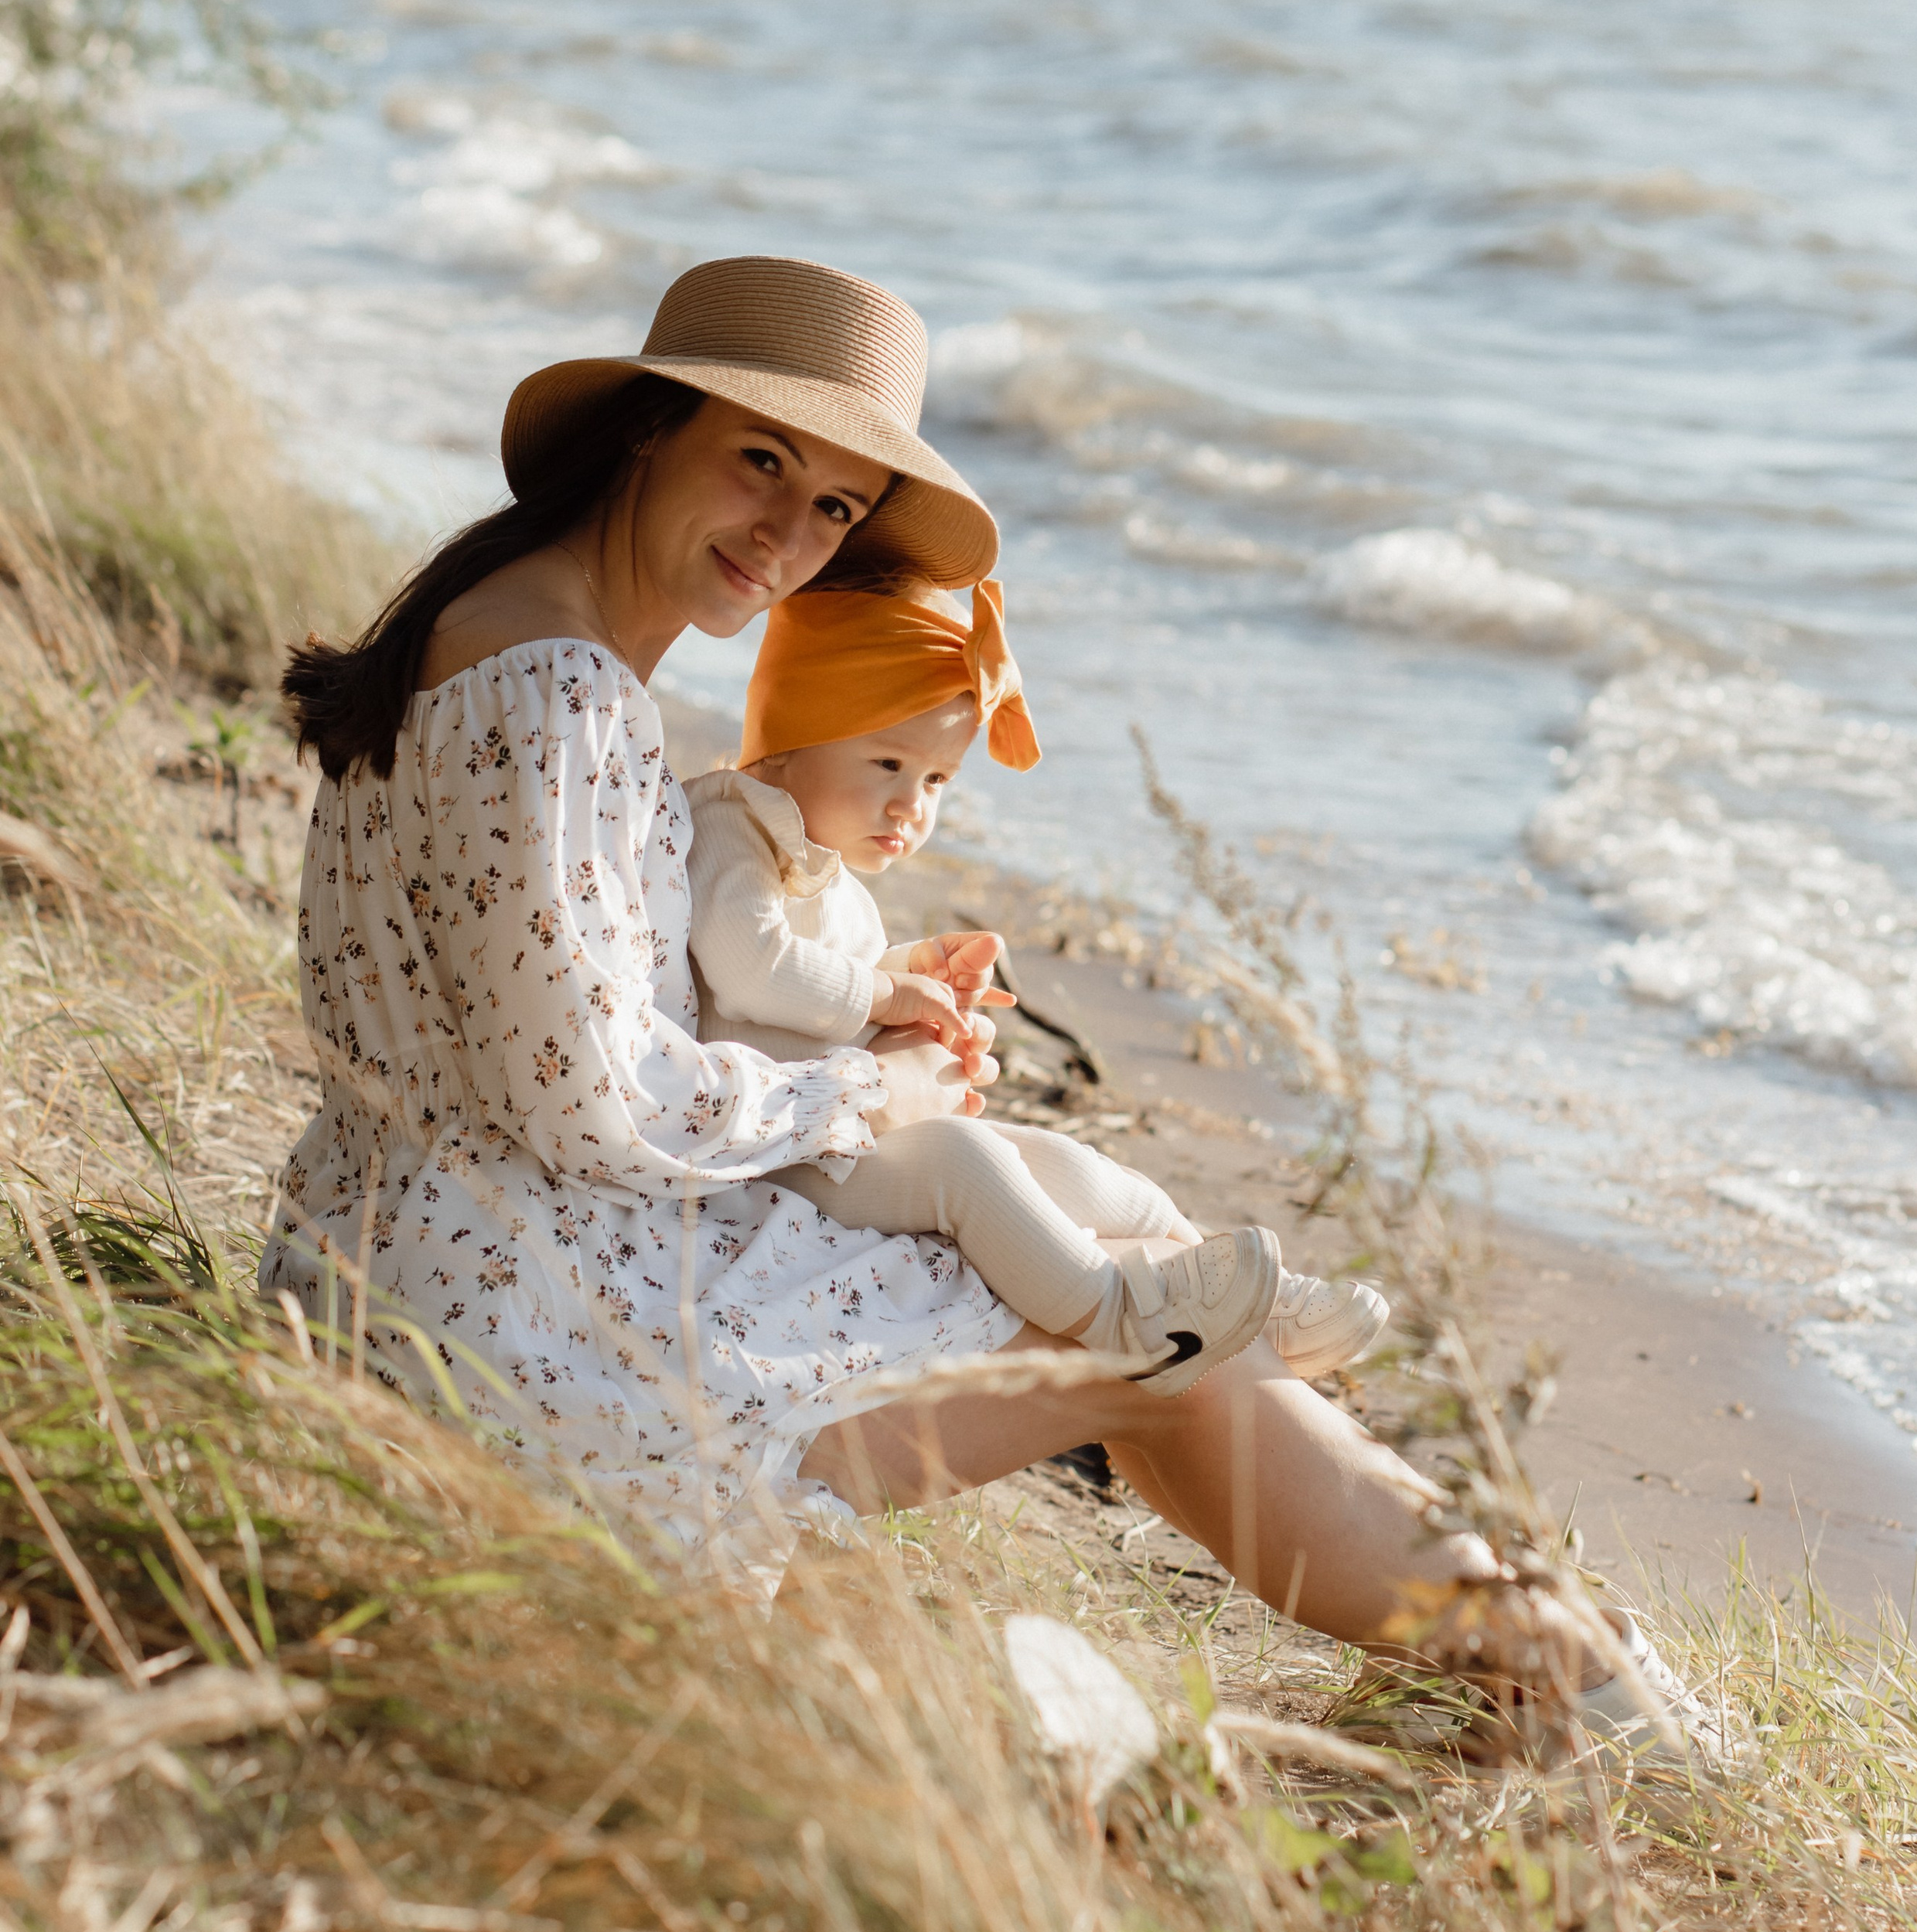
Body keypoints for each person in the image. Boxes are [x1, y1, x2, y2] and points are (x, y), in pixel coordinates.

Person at [261, 251, 1662, 1739]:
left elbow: (553, 1018)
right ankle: (1572, 1671)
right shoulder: (560, 693)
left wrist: (860, 999)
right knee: (1159, 1350)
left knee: (1150, 1304)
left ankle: (1523, 1644)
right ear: (648, 429)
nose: (787, 536)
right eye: (761, 462)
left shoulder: (506, 629)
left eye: (835, 507)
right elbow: (589, 1096)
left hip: (424, 1249)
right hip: (527, 1323)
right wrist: (878, 1090)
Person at [683, 573, 1390, 1392]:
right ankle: (1118, 1319)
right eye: (888, 763)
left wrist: (911, 977)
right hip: (767, 1159)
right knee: (961, 1160)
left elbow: (820, 997)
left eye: (937, 781)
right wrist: (883, 996)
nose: (912, 805)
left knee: (1057, 1163)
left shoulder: (832, 877)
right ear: (791, 739)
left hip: (837, 1134)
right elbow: (749, 967)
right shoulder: (730, 824)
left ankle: (1223, 1276)